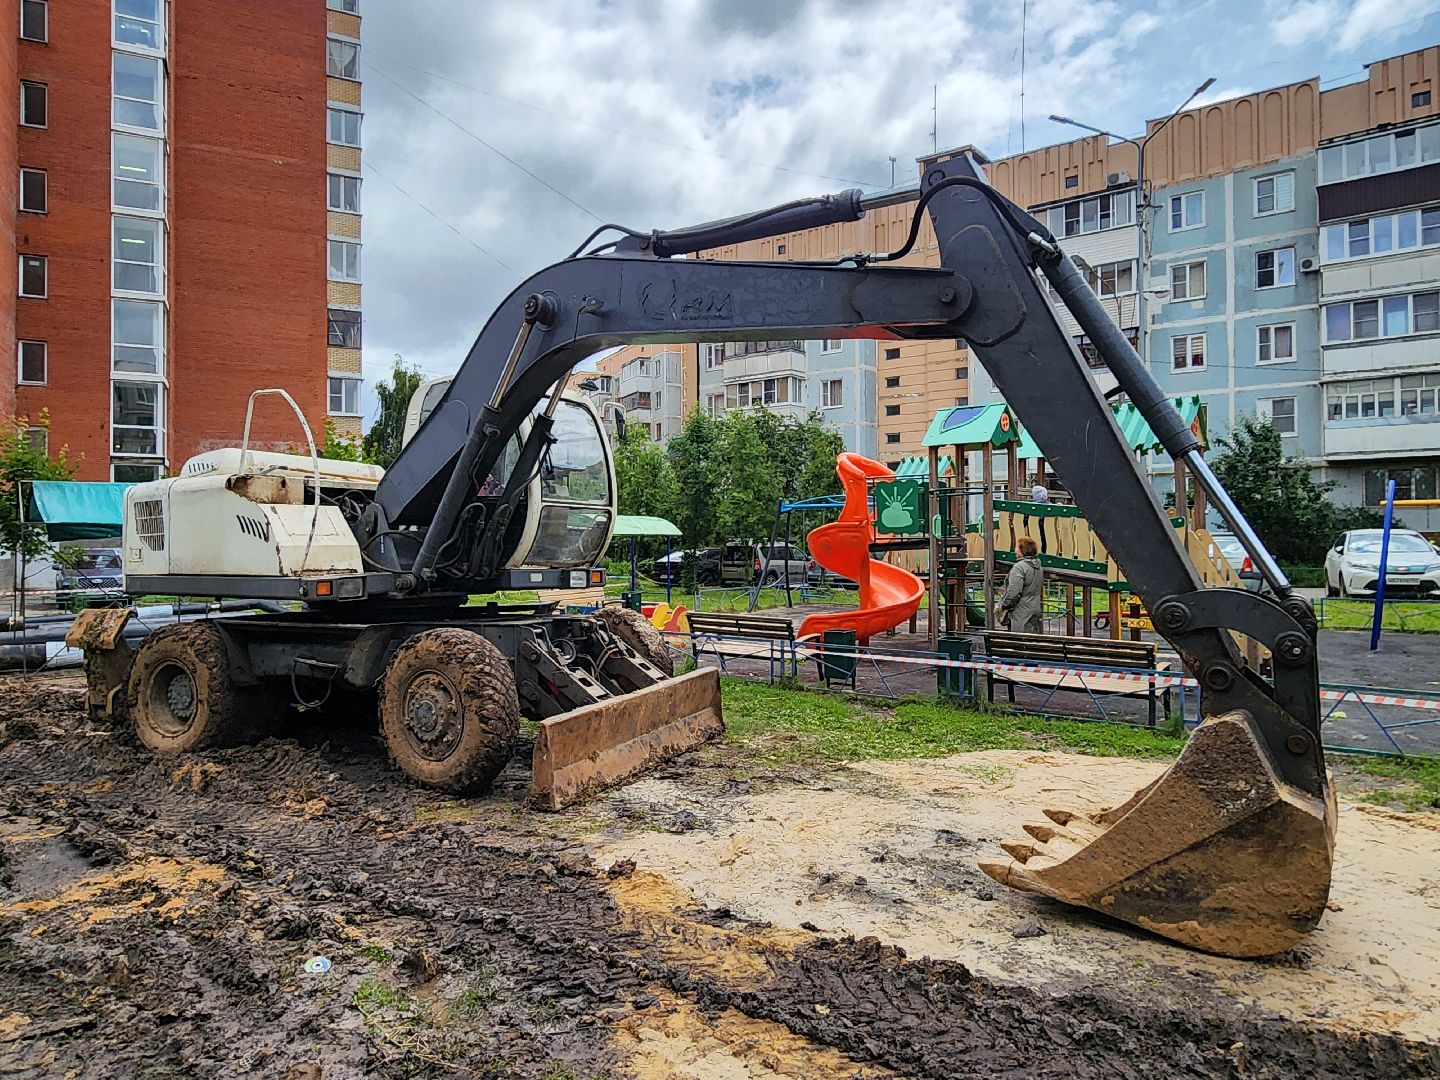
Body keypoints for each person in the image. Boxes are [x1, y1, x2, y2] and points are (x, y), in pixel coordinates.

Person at [999, 535, 1044, 634]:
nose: (1015, 550)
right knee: (1033, 637)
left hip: (1021, 611)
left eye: (1017, 547)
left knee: (1019, 639)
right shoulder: (1038, 566)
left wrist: (1005, 604)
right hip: (1035, 607)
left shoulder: (1019, 567)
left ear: (1022, 550)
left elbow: (1014, 591)